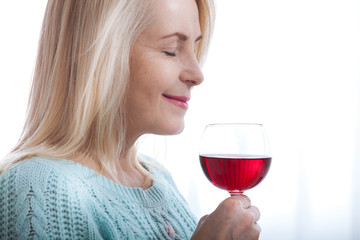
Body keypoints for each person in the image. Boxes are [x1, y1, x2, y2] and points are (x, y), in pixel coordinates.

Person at [0, 0, 261, 239]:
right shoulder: (38, 188)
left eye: (194, 47)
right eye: (171, 50)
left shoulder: (158, 178)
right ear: (102, 55)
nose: (197, 73)